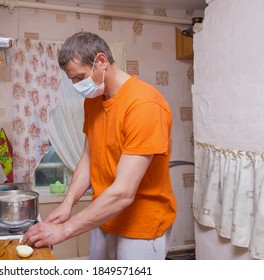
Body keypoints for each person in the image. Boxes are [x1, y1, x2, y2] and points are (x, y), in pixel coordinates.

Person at [21, 31, 176, 260]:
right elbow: (88, 157)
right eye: (71, 79)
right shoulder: (93, 101)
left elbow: (123, 192)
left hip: (141, 224)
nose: (76, 85)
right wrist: (68, 203)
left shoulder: (144, 105)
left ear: (102, 61)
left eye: (79, 77)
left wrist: (65, 229)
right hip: (105, 215)